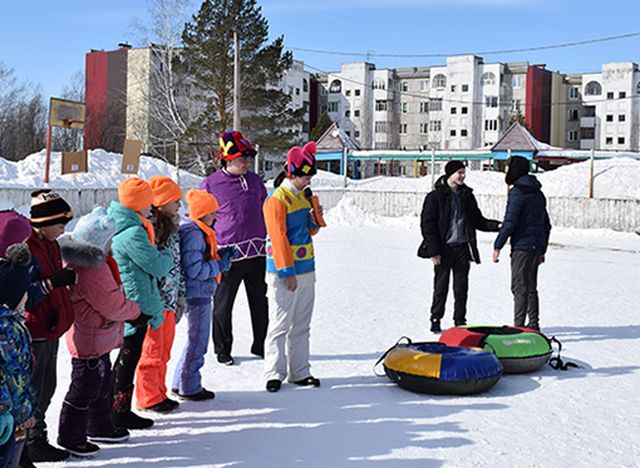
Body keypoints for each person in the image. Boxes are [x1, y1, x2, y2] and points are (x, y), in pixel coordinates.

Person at [57, 207, 141, 457]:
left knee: (101, 385)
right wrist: (136, 312)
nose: (112, 245)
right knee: (85, 388)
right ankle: (71, 436)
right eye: (109, 241)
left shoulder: (90, 264)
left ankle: (99, 426)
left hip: (97, 338)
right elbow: (111, 304)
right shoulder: (92, 270)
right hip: (90, 339)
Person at [108, 178, 172, 429]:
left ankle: (116, 408)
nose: (152, 208)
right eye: (148, 203)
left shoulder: (126, 226)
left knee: (127, 358)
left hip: (134, 300)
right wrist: (166, 255)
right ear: (139, 205)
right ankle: (118, 410)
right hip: (137, 305)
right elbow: (156, 266)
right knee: (127, 360)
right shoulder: (133, 232)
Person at [201, 130, 269, 366]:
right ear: (227, 159)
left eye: (248, 158)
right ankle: (223, 348)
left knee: (260, 300)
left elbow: (264, 206)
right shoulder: (211, 183)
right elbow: (202, 217)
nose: (246, 162)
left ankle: (261, 344)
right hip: (227, 253)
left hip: (257, 251)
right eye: (241, 158)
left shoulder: (256, 180)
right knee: (223, 304)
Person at [262, 141, 324, 393]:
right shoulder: (276, 199)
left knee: (301, 324)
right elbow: (278, 238)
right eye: (305, 177)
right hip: (283, 271)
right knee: (279, 324)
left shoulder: (302, 197)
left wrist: (315, 209)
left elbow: (313, 229)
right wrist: (286, 272)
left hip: (307, 267)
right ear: (293, 174)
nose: (308, 181)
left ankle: (299, 371)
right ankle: (274, 372)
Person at [23, 190, 75, 464]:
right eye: (61, 224)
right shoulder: (28, 249)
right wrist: (53, 282)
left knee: (47, 386)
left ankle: (37, 438)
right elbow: (25, 293)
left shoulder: (52, 244)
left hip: (51, 327)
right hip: (37, 330)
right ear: (45, 222)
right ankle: (31, 443)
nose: (64, 229)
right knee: (36, 389)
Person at [420, 161, 501, 334]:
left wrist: (498, 226)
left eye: (464, 172)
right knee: (441, 286)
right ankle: (436, 318)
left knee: (461, 287)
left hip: (463, 248)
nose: (463, 176)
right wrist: (434, 251)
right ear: (450, 174)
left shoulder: (466, 196)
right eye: (459, 172)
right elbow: (428, 225)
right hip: (444, 249)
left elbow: (478, 220)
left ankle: (460, 320)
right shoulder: (435, 197)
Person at [172, 189, 233, 400]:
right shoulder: (195, 235)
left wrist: (218, 257)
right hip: (197, 295)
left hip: (197, 293)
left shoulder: (195, 232)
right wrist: (220, 265)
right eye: (212, 213)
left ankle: (180, 382)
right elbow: (195, 270)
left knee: (194, 340)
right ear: (203, 214)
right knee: (198, 341)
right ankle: (189, 386)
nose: (215, 217)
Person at [135, 176, 184, 414]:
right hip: (156, 302)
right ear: (162, 202)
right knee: (152, 351)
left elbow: (178, 264)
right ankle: (147, 396)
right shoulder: (151, 228)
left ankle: (159, 391)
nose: (179, 206)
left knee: (164, 350)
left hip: (170, 301)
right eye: (176, 201)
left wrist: (180, 296)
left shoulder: (173, 227)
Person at [493, 156, 552, 331]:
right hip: (535, 247)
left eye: (507, 167)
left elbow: (510, 222)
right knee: (531, 287)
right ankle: (533, 325)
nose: (505, 170)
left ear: (514, 169)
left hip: (522, 247)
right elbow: (546, 225)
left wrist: (498, 245)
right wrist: (542, 249)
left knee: (519, 286)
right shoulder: (538, 193)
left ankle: (518, 327)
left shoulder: (517, 192)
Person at [0, 212, 36, 468]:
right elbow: (9, 374)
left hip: (14, 415)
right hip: (8, 417)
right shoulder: (6, 331)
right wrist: (18, 413)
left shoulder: (14, 325)